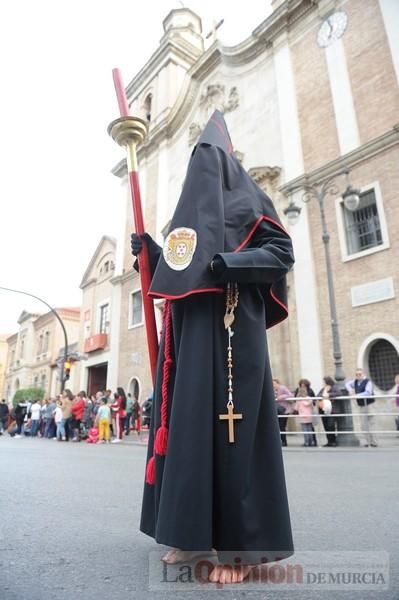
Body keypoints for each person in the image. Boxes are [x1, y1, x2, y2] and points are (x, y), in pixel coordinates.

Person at [131, 111, 295, 583]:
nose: (202, 170)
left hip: (230, 334)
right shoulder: (186, 218)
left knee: (232, 435)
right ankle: (187, 532)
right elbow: (183, 271)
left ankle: (238, 551)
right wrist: (152, 254)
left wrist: (230, 263)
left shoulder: (253, 202)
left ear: (226, 165)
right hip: (187, 338)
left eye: (210, 161)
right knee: (185, 432)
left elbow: (281, 253)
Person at [346, 368, 377, 448]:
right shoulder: (355, 381)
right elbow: (347, 384)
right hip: (361, 406)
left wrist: (356, 395)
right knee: (363, 425)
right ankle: (369, 441)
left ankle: (374, 442)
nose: (358, 376)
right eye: (356, 374)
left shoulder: (368, 382)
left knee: (371, 424)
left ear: (363, 374)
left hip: (369, 405)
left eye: (360, 374)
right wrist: (350, 390)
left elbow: (368, 392)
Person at [317, 376, 341, 447]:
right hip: (324, 410)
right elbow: (318, 395)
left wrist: (329, 395)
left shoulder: (334, 387)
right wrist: (324, 392)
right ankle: (329, 441)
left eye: (324, 382)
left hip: (332, 410)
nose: (323, 383)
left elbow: (339, 393)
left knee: (330, 425)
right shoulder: (323, 388)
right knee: (326, 426)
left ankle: (333, 441)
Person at [294, 379, 317, 447]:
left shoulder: (299, 400)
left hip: (302, 416)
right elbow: (313, 404)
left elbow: (296, 408)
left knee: (305, 430)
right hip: (309, 415)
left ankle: (307, 442)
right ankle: (311, 442)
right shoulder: (309, 399)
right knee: (309, 429)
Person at [273, 378, 293, 447]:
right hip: (277, 410)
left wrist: (280, 397)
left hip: (284, 410)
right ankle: (280, 441)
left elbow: (290, 395)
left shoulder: (283, 388)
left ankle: (284, 442)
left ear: (278, 383)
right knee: (278, 426)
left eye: (274, 384)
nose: (273, 385)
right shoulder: (273, 390)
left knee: (282, 426)